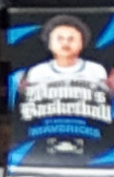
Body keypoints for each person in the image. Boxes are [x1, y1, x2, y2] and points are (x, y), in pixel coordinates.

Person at [11, 13, 111, 166]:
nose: (66, 43)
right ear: (49, 43)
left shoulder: (96, 70)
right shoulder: (37, 72)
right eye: (60, 38)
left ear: (82, 42)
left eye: (71, 39)